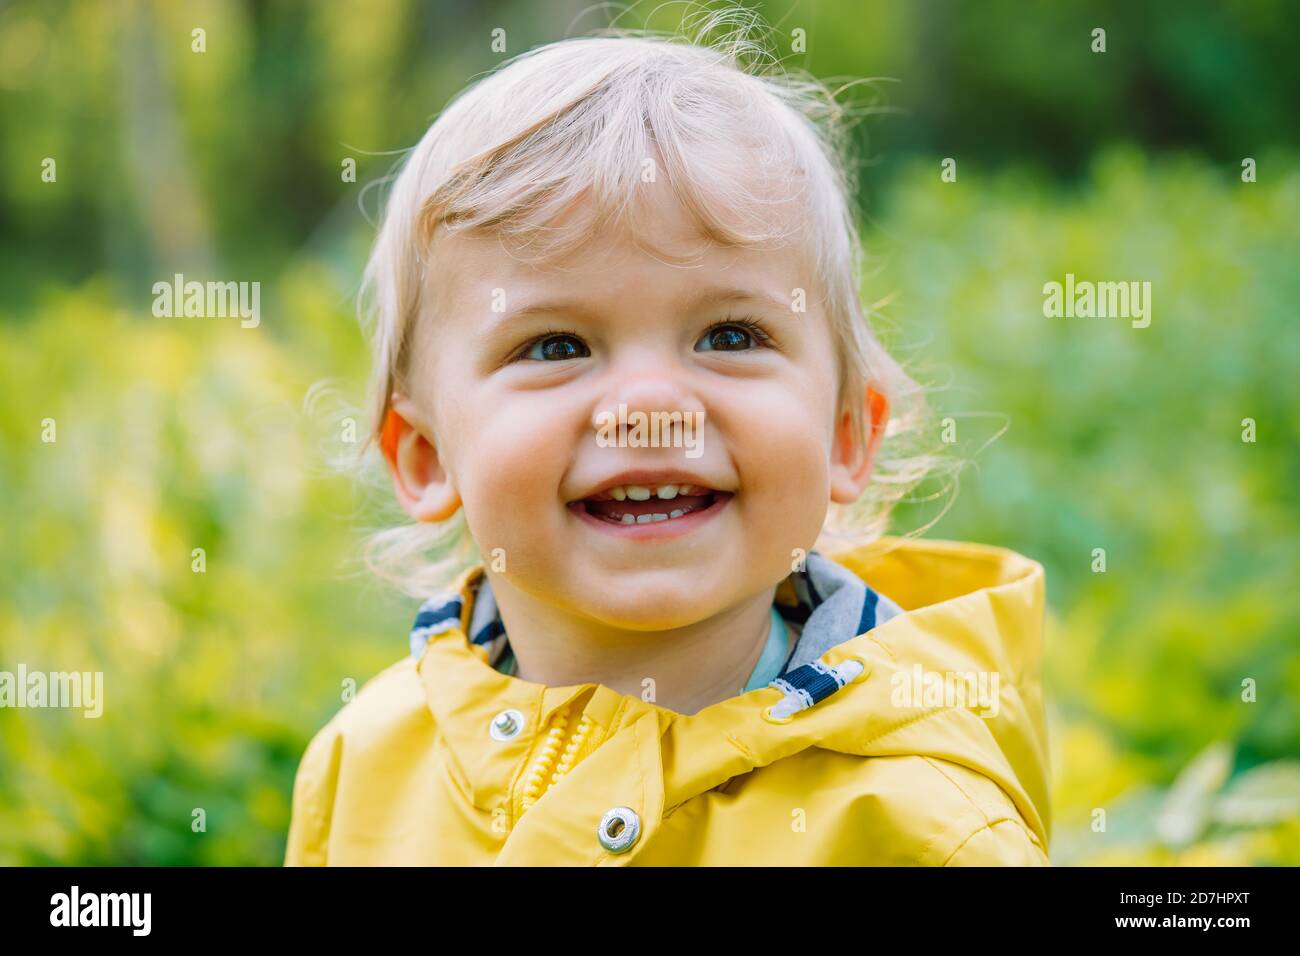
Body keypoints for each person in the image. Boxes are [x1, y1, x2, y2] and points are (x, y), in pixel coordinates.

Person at [285, 9, 1050, 865]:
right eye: (555, 346)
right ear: (424, 459)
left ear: (844, 434)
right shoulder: (363, 766)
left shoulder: (917, 827)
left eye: (730, 336)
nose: (650, 407)